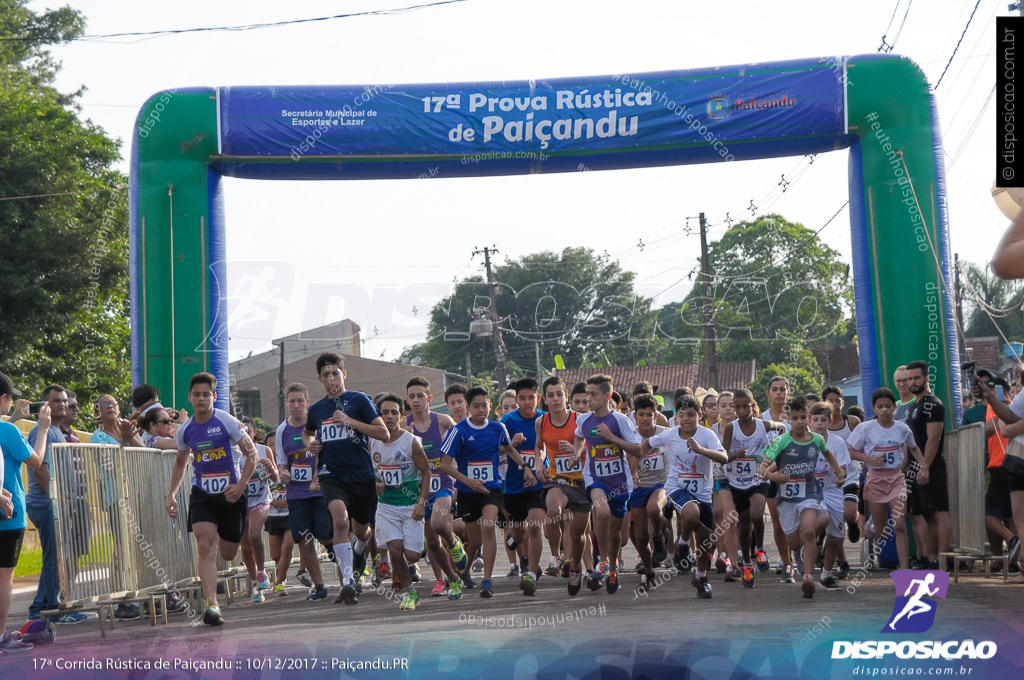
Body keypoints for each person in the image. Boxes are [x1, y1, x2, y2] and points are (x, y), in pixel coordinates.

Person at [166, 372, 259, 626]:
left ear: (214, 397)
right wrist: (172, 494)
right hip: (203, 495)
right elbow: (180, 464)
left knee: (228, 553)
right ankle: (211, 604)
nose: (201, 399)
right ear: (190, 397)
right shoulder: (185, 431)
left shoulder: (227, 422)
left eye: (206, 394)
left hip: (231, 495)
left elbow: (252, 455)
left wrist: (241, 486)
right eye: (196, 394)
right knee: (205, 545)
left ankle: (226, 539)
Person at [303, 353, 389, 605]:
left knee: (362, 531)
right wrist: (312, 445)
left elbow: (383, 433)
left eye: (335, 373)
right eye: (326, 375)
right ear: (319, 378)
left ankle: (359, 549)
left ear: (344, 374)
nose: (331, 379)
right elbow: (307, 434)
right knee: (340, 521)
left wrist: (350, 421)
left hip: (361, 476)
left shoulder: (359, 400)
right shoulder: (317, 409)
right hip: (331, 474)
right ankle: (348, 581)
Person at [441, 386, 531, 598]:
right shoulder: (459, 430)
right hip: (467, 491)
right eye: (476, 406)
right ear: (468, 407)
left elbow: (509, 449)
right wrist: (469, 482)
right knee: (476, 540)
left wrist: (525, 467)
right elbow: (445, 465)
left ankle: (487, 580)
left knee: (489, 527)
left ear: (490, 406)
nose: (481, 410)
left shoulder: (498, 428)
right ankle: (462, 569)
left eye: (484, 406)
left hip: (492, 488)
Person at [759, 397, 845, 600]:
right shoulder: (781, 441)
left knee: (808, 531)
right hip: (787, 499)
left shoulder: (816, 439)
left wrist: (838, 470)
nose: (799, 422)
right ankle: (796, 555)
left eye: (803, 417)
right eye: (794, 418)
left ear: (808, 418)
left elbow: (829, 454)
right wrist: (774, 476)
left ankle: (808, 579)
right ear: (787, 420)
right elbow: (762, 469)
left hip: (810, 494)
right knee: (794, 542)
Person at [643, 395, 727, 598]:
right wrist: (633, 464)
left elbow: (723, 457)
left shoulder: (706, 435)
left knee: (705, 541)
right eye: (682, 415)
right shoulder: (670, 435)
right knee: (690, 513)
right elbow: (645, 445)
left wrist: (701, 450)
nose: (686, 419)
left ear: (700, 415)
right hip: (677, 488)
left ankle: (701, 577)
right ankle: (683, 544)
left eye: (691, 415)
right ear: (677, 417)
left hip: (703, 492)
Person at [572, 374, 643, 595]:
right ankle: (601, 563)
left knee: (617, 537)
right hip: (595, 479)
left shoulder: (620, 420)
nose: (587, 401)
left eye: (592, 395)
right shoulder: (584, 420)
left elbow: (638, 450)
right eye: (586, 396)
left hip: (620, 483)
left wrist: (613, 438)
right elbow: (579, 437)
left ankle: (613, 567)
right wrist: (576, 453)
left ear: (607, 396)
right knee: (601, 513)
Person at [25, 384, 86, 624]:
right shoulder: (43, 431)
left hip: (55, 505)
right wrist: (56, 499)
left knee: (53, 556)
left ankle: (39, 606)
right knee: (54, 558)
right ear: (45, 406)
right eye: (56, 401)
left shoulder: (56, 430)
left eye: (64, 401)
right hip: (47, 505)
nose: (62, 404)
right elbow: (39, 469)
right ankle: (54, 608)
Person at [0, 373, 51, 653]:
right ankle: (1, 635)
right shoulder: (8, 432)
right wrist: (42, 429)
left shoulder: (6, 428)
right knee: (5, 576)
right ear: (3, 398)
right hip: (9, 513)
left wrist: (14, 418)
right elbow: (37, 459)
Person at [847, 388, 923, 572]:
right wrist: (868, 459)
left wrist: (924, 466)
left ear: (894, 407)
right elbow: (851, 450)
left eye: (888, 406)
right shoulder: (865, 428)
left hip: (896, 478)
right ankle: (871, 529)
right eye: (880, 407)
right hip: (875, 478)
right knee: (881, 531)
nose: (885, 410)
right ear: (874, 408)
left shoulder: (902, 428)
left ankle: (904, 569)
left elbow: (914, 448)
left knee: (898, 525)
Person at [404, 377, 465, 599]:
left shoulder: (444, 422)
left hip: (443, 484)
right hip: (420, 490)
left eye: (421, 395)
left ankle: (454, 543)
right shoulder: (404, 425)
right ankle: (449, 580)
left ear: (429, 398)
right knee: (431, 542)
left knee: (440, 524)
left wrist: (460, 474)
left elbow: (464, 443)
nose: (416, 400)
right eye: (412, 396)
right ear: (407, 400)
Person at [372, 394, 432, 610]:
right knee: (395, 550)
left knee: (412, 555)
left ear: (401, 415)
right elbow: (369, 474)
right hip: (386, 506)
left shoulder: (411, 442)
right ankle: (410, 594)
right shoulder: (372, 442)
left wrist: (422, 503)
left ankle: (421, 545)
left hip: (411, 505)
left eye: (394, 412)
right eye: (384, 412)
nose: (389, 417)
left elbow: (427, 473)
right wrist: (374, 483)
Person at [536, 376, 595, 596]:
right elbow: (538, 446)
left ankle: (578, 568)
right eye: (550, 395)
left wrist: (574, 449)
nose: (556, 399)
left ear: (566, 396)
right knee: (553, 511)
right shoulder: (541, 422)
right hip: (556, 480)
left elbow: (594, 449)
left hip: (580, 482)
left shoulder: (580, 420)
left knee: (580, 534)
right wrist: (539, 462)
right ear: (544, 399)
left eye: (559, 394)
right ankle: (555, 557)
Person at [275, 383, 333, 602]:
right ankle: (320, 585)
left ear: (307, 402)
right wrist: (284, 474)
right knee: (304, 540)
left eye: (300, 401)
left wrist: (318, 477)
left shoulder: (317, 425)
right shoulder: (282, 430)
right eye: (292, 401)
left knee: (325, 534)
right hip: (297, 494)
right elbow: (282, 461)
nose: (296, 405)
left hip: (320, 490)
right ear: (287, 403)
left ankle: (337, 553)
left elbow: (326, 453)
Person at [720, 389, 782, 588]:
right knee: (744, 524)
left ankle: (760, 549)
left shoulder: (762, 425)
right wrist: (735, 454)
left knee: (757, 515)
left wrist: (773, 449)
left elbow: (781, 428)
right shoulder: (731, 428)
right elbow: (723, 455)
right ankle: (747, 563)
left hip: (758, 479)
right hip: (738, 482)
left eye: (745, 406)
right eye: (737, 407)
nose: (741, 410)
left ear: (752, 405)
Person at [499, 378, 546, 596]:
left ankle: (531, 573)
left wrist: (536, 467)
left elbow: (546, 448)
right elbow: (497, 451)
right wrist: (512, 445)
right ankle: (514, 539)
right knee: (519, 534)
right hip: (514, 486)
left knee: (535, 526)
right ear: (516, 399)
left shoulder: (545, 419)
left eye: (532, 398)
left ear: (538, 398)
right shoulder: (507, 421)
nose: (528, 403)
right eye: (523, 399)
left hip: (538, 483)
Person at [905, 360, 950, 570]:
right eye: (909, 379)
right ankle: (930, 558)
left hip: (931, 466)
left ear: (926, 378)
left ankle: (941, 560)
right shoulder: (914, 405)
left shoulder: (933, 404)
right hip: (915, 467)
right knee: (924, 513)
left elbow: (934, 438)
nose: (912, 382)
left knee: (939, 512)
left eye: (916, 378)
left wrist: (925, 467)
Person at [978, 374, 1024, 582]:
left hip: (1010, 461)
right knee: (1016, 518)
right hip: (1014, 461)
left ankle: (1013, 549)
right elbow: (1008, 424)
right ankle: (1016, 565)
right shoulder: (1014, 401)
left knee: (1013, 519)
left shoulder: (1011, 403)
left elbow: (1006, 427)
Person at [808, 401, 856, 590]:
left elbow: (842, 470)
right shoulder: (802, 441)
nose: (819, 423)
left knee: (837, 535)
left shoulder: (837, 443)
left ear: (830, 421)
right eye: (815, 419)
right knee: (821, 519)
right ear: (809, 422)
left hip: (831, 491)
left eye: (823, 420)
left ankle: (826, 574)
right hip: (810, 492)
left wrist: (840, 478)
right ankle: (808, 562)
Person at [628, 395, 668, 592]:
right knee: (642, 537)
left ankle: (660, 536)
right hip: (638, 488)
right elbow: (628, 466)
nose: (645, 419)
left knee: (654, 508)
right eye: (641, 415)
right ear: (635, 416)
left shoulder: (665, 434)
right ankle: (649, 573)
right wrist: (640, 452)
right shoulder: (631, 436)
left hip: (661, 484)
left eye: (649, 415)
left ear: (656, 415)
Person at [762, 376, 794, 579]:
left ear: (788, 392)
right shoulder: (762, 419)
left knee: (795, 520)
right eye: (775, 389)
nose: (779, 393)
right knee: (778, 521)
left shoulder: (796, 417)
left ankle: (798, 554)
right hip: (770, 476)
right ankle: (786, 561)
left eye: (783, 389)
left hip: (792, 474)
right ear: (768, 393)